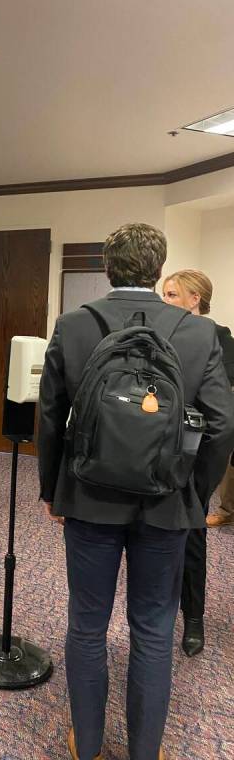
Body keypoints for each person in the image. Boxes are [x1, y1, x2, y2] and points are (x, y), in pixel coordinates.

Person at [37, 224, 234, 760]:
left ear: (108, 267)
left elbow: (51, 417)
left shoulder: (75, 325)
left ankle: (89, 745)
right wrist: (194, 491)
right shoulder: (200, 333)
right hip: (168, 503)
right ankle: (147, 751)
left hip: (88, 497)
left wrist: (54, 490)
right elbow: (221, 424)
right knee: (152, 627)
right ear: (159, 267)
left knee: (87, 623)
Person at [162, 268, 234, 656]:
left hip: (195, 457)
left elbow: (223, 411)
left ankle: (194, 618)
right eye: (165, 293)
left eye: (174, 294)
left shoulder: (219, 337)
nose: (166, 300)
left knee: (193, 539)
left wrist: (205, 480)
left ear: (196, 299)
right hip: (157, 452)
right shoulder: (160, 333)